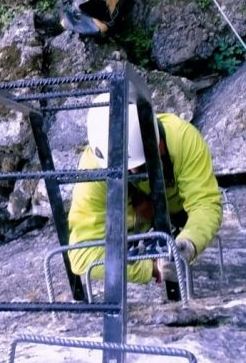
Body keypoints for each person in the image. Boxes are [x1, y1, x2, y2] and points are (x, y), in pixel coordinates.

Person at [67, 95, 223, 285]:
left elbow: (205, 203)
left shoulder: (181, 138)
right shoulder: (93, 171)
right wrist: (150, 268)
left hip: (178, 211)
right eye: (125, 169)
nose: (134, 172)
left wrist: (190, 242)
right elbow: (81, 254)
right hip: (130, 226)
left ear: (158, 142)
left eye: (142, 164)